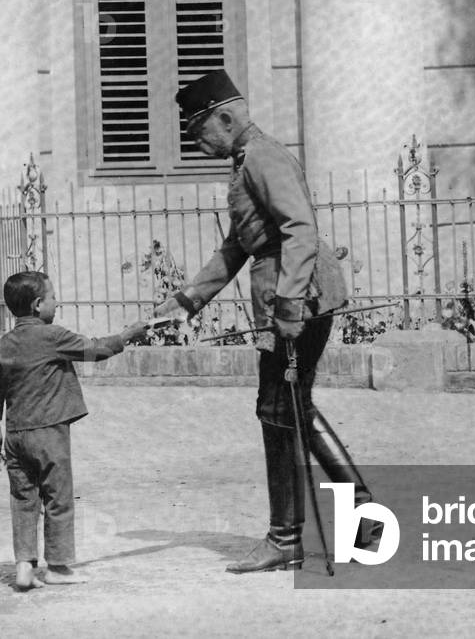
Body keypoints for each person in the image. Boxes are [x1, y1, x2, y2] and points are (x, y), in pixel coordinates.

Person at [155, 69, 379, 574]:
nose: (197, 143)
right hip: (291, 298)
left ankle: (286, 539)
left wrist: (288, 305)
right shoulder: (245, 160)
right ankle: (362, 517)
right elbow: (239, 244)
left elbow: (300, 229)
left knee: (277, 407)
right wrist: (188, 299)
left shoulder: (261, 157)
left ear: (226, 117)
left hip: (297, 299)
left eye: (198, 132)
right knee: (288, 406)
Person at [0, 270, 146, 590]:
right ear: (37, 305)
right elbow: (94, 350)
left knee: (23, 499)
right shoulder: (52, 337)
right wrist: (127, 335)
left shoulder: (2, 344)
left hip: (16, 435)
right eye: (53, 297)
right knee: (57, 498)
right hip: (49, 433)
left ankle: (24, 566)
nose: (57, 303)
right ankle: (57, 566)